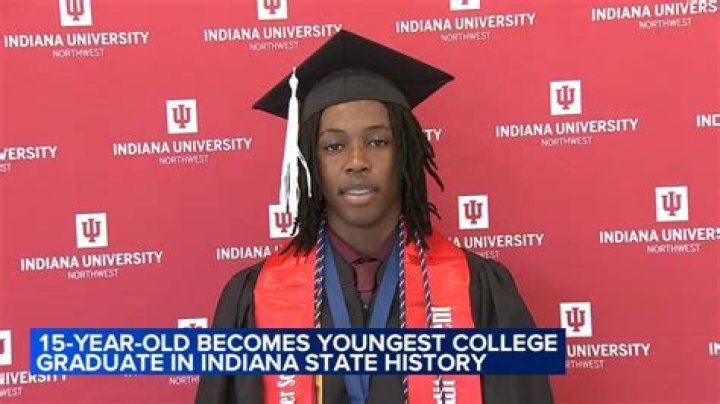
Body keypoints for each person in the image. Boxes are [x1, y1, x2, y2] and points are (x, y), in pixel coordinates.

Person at [196, 29, 553, 404]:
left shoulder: (478, 290)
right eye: (334, 146)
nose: (357, 161)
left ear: (406, 154)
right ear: (310, 163)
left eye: (377, 141)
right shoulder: (253, 299)